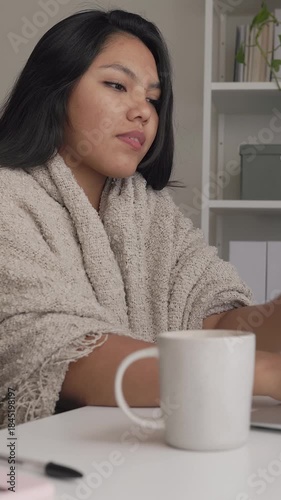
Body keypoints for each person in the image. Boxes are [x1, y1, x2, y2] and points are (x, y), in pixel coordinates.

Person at [0, 8, 280, 429]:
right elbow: (60, 352)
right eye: (117, 85)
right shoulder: (9, 200)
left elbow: (217, 324)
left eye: (152, 97)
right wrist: (258, 373)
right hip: (32, 466)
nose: (144, 112)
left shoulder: (150, 212)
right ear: (53, 89)